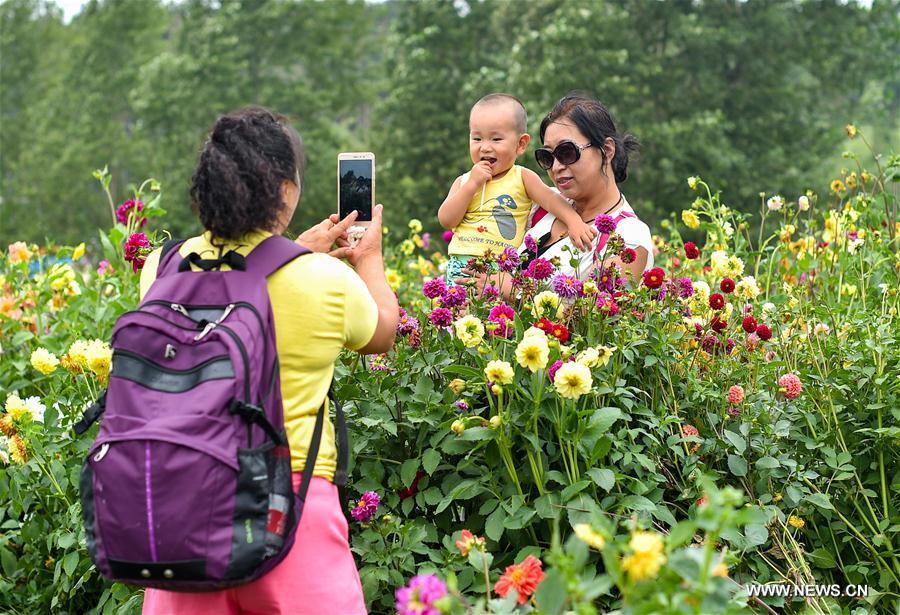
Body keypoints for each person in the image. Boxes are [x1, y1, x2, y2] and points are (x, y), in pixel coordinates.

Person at [139, 106, 398, 614]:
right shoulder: (322, 279)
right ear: (284, 189)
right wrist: (368, 259)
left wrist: (292, 251)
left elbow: (237, 285)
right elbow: (382, 333)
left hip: (186, 508)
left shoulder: (160, 268)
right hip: (292, 509)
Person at [462, 93, 653, 295]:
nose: (556, 166)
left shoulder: (628, 236)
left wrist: (515, 292)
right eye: (547, 157)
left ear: (606, 150)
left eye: (567, 152)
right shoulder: (541, 204)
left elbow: (599, 317)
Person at [438, 93, 598, 282]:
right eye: (477, 139)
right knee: (457, 310)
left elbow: (552, 200)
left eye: (496, 139)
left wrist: (574, 222)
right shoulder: (464, 181)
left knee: (492, 311)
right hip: (461, 265)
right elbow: (447, 220)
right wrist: (472, 185)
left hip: (500, 270)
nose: (485, 147)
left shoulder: (522, 177)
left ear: (521, 144)